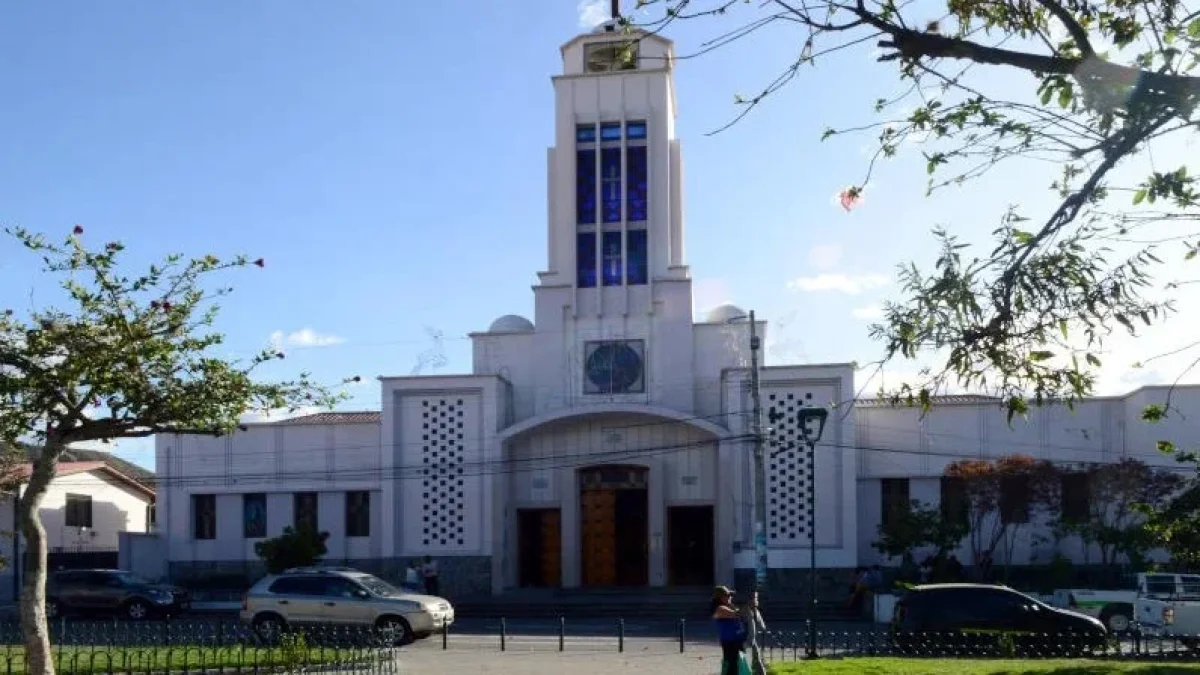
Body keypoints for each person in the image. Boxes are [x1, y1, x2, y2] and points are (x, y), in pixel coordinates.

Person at [710, 586, 750, 675]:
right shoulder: (719, 609)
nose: (730, 597)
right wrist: (748, 605)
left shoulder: (729, 606)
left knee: (738, 666)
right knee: (733, 668)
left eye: (730, 595)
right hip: (730, 642)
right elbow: (736, 614)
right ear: (720, 598)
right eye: (727, 595)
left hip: (737, 640)